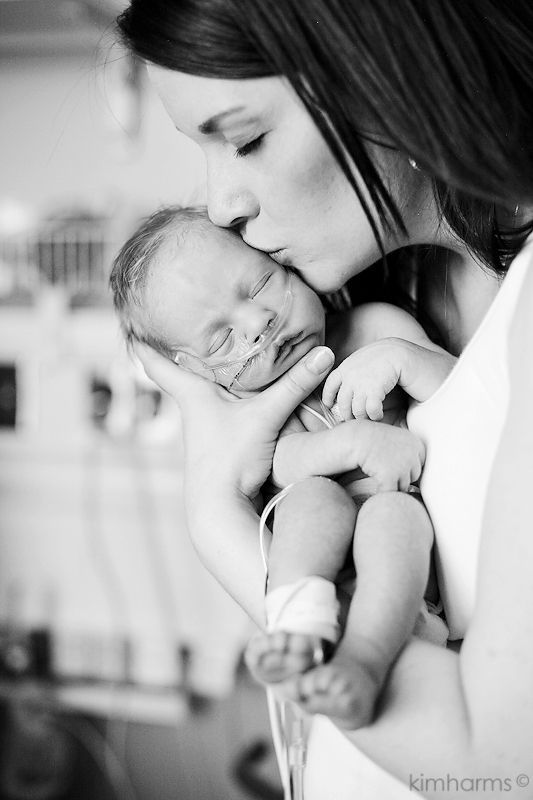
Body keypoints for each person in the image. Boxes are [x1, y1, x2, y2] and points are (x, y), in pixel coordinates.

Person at [115, 1, 533, 797]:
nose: (220, 205)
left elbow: (499, 764)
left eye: (244, 138)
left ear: (385, 69)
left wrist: (217, 523)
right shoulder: (394, 287)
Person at [110, 205, 451, 727]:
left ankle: (363, 661)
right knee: (312, 500)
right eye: (221, 339)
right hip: (325, 576)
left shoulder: (374, 327)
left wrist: (402, 357)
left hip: (405, 570)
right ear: (199, 373)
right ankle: (298, 628)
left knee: (392, 517)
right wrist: (357, 442)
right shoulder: (254, 412)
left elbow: (463, 394)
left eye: (261, 284)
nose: (257, 323)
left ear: (286, 262)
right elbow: (287, 463)